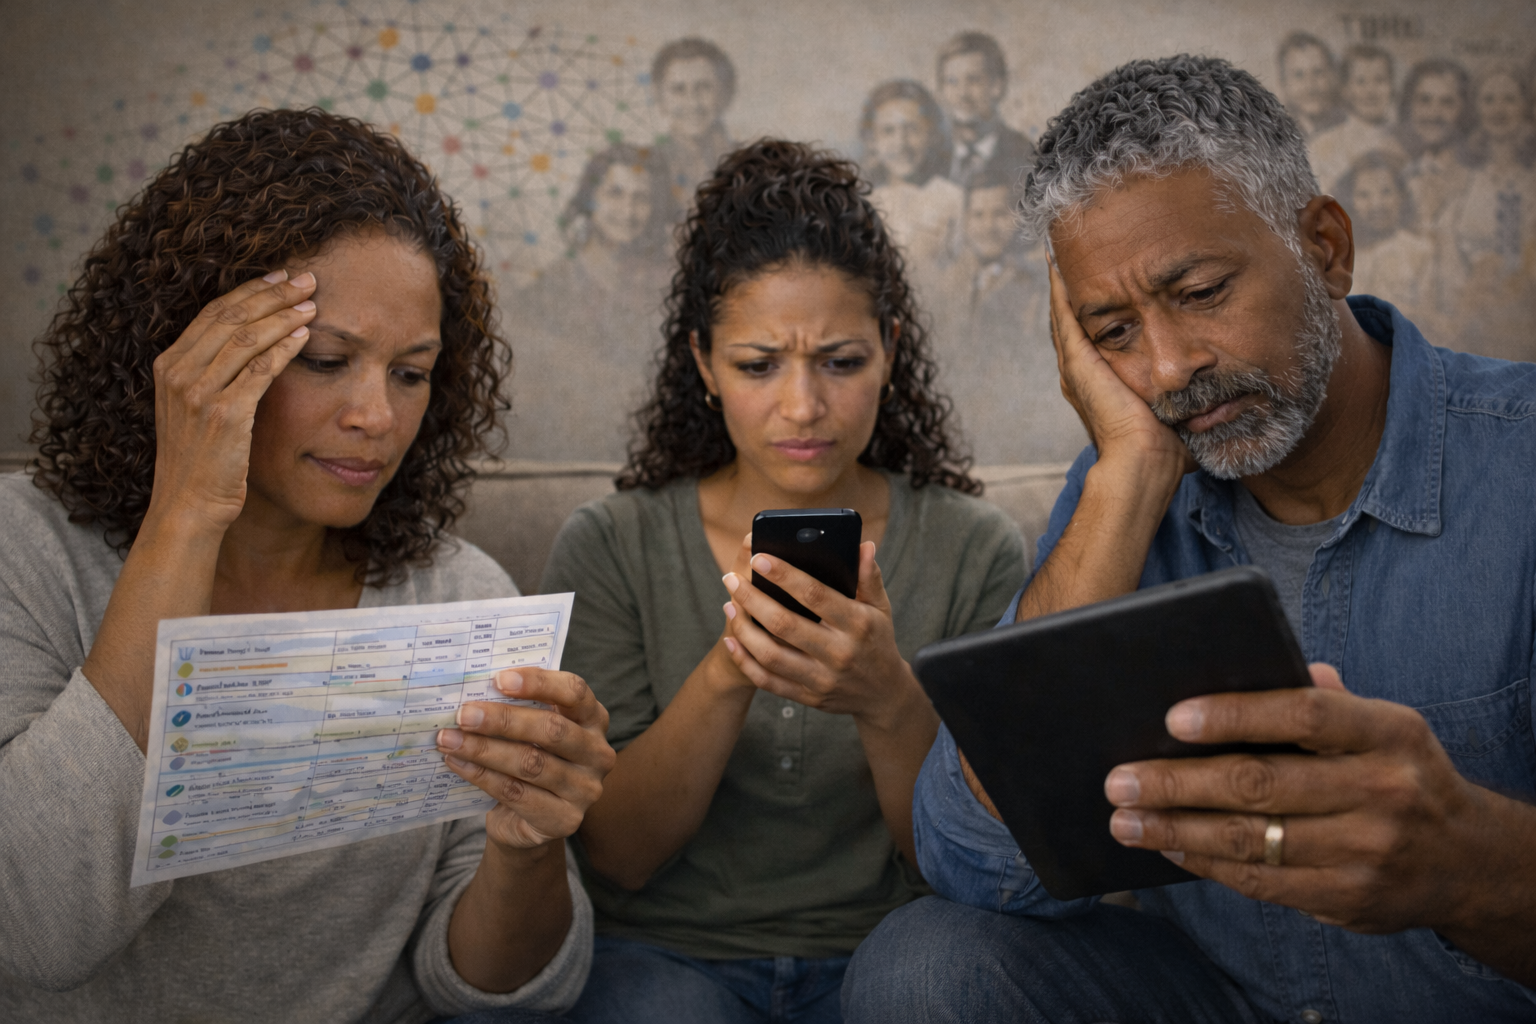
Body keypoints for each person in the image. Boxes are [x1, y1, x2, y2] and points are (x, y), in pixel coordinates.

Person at [843, 55, 1536, 1023]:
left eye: (1202, 291)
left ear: (1326, 247)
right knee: (925, 962)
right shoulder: (1133, 482)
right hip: (1222, 997)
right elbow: (977, 865)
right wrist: (1125, 479)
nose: (1169, 369)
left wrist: (1470, 865)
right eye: (1112, 330)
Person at [0, 108, 616, 1023]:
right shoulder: (29, 552)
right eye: (326, 361)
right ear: (194, 356)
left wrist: (526, 847)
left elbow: (500, 995)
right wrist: (187, 511)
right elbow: (37, 931)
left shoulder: (460, 594)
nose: (378, 416)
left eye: (411, 374)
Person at [542, 140, 1029, 1023]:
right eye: (758, 365)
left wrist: (886, 696)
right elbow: (615, 856)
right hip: (665, 953)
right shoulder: (613, 544)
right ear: (702, 364)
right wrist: (733, 668)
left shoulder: (974, 548)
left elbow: (975, 865)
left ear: (888, 351)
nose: (803, 407)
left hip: (885, 950)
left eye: (840, 363)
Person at [517, 144, 678, 461]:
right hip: (567, 444)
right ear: (590, 199)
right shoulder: (553, 286)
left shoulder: (669, 283)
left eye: (641, 198)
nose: (628, 211)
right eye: (615, 194)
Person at [928, 167, 1084, 464]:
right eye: (977, 215)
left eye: (998, 214)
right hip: (962, 417)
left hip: (1015, 417)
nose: (988, 227)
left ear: (1016, 219)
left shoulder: (1036, 285)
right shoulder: (950, 285)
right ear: (964, 222)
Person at [1433, 66, 1536, 362]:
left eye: (1509, 99)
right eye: (1489, 99)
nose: (1499, 109)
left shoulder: (1531, 181)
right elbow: (1444, 251)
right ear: (1476, 108)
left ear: (1524, 106)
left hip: (1524, 320)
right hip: (1468, 321)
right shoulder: (1458, 178)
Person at [859, 79, 964, 272]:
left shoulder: (954, 200)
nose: (901, 144)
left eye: (913, 130)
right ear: (872, 141)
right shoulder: (863, 206)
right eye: (888, 131)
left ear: (931, 135)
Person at [1336, 150, 1436, 325]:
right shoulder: (1340, 253)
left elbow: (1428, 316)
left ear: (1401, 196)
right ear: (1351, 201)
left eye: (1386, 192)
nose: (1376, 205)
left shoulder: (1420, 251)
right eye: (1364, 195)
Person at [934, 31, 1037, 190]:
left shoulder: (1024, 156)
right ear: (941, 90)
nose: (962, 94)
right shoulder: (929, 154)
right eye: (952, 82)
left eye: (973, 80)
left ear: (997, 86)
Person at [650, 38, 737, 211]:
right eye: (678, 89)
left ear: (723, 93)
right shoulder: (646, 167)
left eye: (704, 87)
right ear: (659, 97)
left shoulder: (746, 162)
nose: (693, 103)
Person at [1308, 44, 1404, 192]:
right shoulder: (1323, 146)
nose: (1370, 91)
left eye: (1380, 80)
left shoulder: (1403, 141)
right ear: (1346, 90)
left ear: (1392, 86)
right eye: (1360, 81)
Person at [1397, 58, 1476, 227]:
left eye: (1447, 102)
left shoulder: (1475, 175)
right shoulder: (1399, 174)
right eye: (1424, 100)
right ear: (1409, 106)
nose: (1434, 114)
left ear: (1464, 109)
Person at [1276, 32, 1344, 139]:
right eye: (1299, 75)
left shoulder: (1348, 125)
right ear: (1284, 83)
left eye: (1318, 72)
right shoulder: (1276, 133)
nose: (1310, 85)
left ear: (1331, 76)